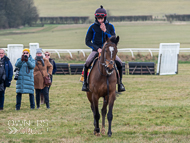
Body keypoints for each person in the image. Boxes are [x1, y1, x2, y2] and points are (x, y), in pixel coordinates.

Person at [82, 5, 125, 92]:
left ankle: (120, 84)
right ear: (96, 18)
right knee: (87, 62)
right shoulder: (92, 27)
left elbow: (113, 39)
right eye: (98, 18)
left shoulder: (110, 27)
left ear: (105, 18)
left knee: (119, 63)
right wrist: (97, 48)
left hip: (109, 51)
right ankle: (85, 83)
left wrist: (105, 31)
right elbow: (87, 41)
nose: (100, 20)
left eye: (102, 18)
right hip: (96, 50)